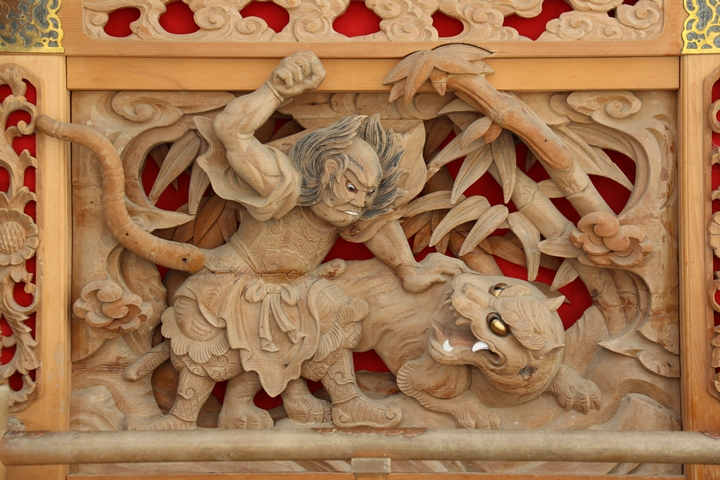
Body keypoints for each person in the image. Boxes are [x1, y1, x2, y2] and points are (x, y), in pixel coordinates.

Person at [127, 51, 467, 430]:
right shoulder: (285, 183)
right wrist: (275, 90)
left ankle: (347, 402)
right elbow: (232, 132)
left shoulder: (346, 210)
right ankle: (182, 416)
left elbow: (376, 224)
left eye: (367, 194)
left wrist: (408, 270)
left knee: (333, 312)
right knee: (205, 330)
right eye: (352, 188)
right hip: (235, 278)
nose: (359, 203)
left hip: (296, 288)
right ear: (329, 170)